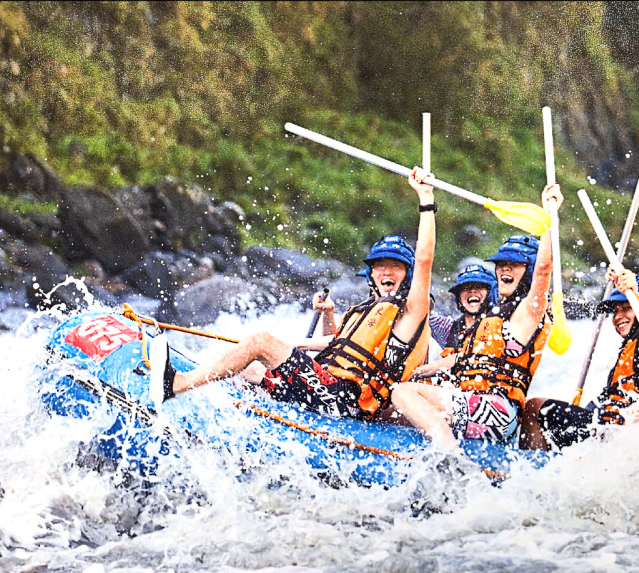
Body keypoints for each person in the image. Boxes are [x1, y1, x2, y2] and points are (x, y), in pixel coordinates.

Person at [151, 167, 438, 423]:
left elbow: (425, 259)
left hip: (344, 399)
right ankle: (210, 421)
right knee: (249, 367)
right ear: (372, 274)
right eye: (380, 266)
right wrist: (321, 320)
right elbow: (336, 345)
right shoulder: (365, 310)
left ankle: (175, 385)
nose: (386, 271)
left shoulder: (410, 313)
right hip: (326, 383)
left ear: (408, 274)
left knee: (260, 342)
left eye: (395, 266)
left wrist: (426, 199)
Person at [389, 184, 563, 452]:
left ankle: (449, 454)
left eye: (514, 264)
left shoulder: (528, 312)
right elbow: (471, 359)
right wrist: (437, 367)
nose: (504, 267)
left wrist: (551, 216)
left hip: (498, 412)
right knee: (397, 406)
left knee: (403, 393)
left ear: (526, 274)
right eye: (501, 264)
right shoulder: (488, 319)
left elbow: (543, 270)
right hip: (473, 402)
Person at [521, 268, 639, 454]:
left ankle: (532, 471)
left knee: (535, 407)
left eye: (626, 308)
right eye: (615, 311)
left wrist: (636, 296)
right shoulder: (634, 346)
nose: (618, 317)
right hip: (619, 432)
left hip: (632, 436)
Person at [414, 263, 498, 381]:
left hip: (489, 394)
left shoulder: (501, 328)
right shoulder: (448, 329)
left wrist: (426, 370)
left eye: (479, 286)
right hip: (452, 394)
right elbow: (420, 311)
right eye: (466, 288)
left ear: (491, 294)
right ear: (458, 297)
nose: (472, 291)